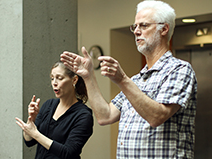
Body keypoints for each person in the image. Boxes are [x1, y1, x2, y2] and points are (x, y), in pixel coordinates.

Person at [60, 0, 197, 158]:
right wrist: (88, 76)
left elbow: (157, 116)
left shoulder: (179, 70)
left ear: (164, 29)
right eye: (135, 26)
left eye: (144, 25)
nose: (137, 31)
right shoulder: (137, 80)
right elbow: (106, 115)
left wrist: (122, 80)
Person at [15, 61, 93, 159]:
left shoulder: (83, 115)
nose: (54, 83)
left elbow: (68, 153)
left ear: (74, 80)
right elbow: (29, 141)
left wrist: (36, 134)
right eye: (52, 78)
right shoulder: (48, 105)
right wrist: (32, 120)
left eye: (59, 78)